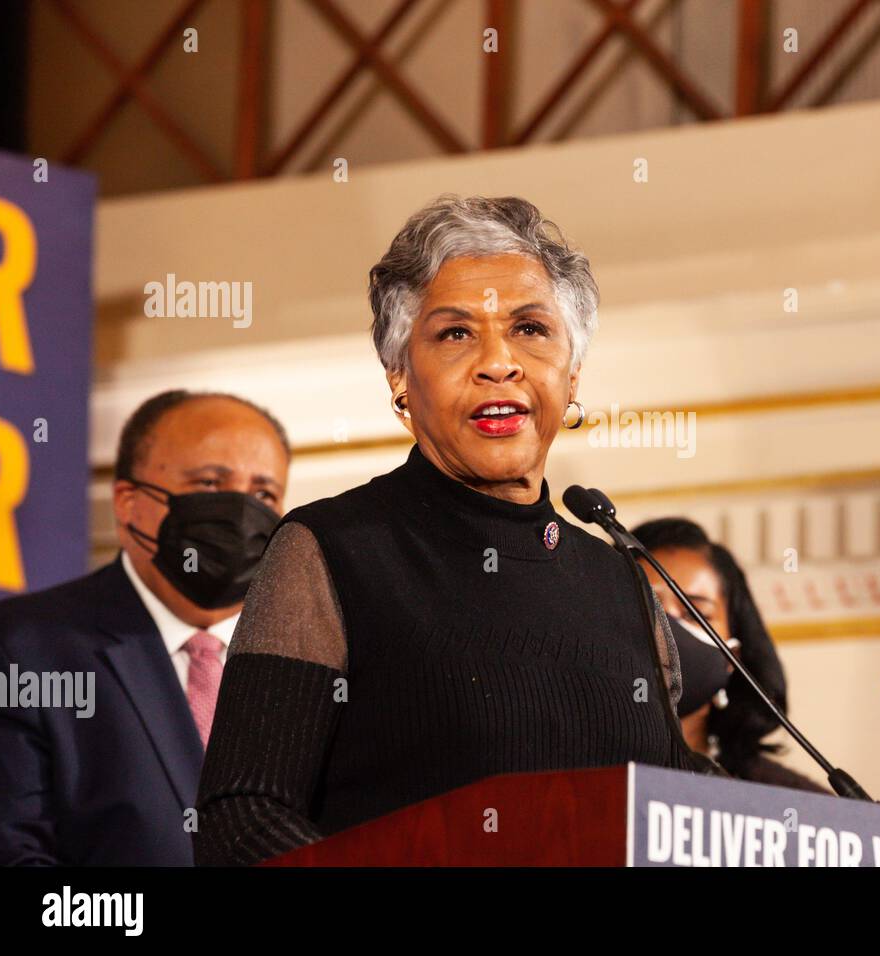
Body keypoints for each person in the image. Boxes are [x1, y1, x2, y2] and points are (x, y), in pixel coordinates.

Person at [193, 195, 712, 866]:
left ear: (573, 371)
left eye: (531, 328)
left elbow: (674, 800)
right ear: (400, 377)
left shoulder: (618, 577)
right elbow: (244, 816)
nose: (499, 363)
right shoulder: (330, 551)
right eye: (456, 334)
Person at [0, 390, 290, 865]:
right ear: (128, 503)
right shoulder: (23, 648)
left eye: (263, 494)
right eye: (211, 483)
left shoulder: (312, 662)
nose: (240, 513)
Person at [633, 517, 827, 793]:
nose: (667, 628)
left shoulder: (793, 800)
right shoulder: (564, 768)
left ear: (731, 656)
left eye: (694, 613)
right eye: (646, 608)